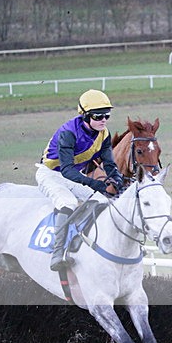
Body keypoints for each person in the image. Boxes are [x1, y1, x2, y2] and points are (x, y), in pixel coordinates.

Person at [36, 89, 124, 271]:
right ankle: (57, 253)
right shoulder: (68, 133)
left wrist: (116, 177)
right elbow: (67, 170)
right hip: (51, 174)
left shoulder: (103, 133)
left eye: (107, 115)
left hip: (72, 176)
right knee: (68, 202)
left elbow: (108, 163)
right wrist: (95, 184)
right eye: (98, 116)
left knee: (102, 201)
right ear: (85, 115)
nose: (104, 120)